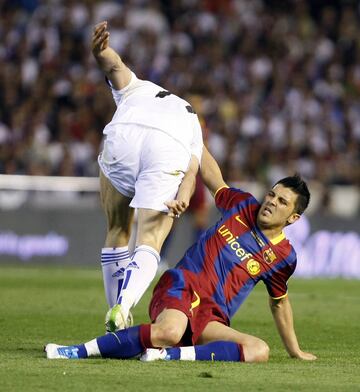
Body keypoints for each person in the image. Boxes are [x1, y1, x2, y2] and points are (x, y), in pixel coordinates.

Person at [45, 147, 317, 363]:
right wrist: (194, 139)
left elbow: (279, 303)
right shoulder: (242, 205)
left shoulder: (283, 257)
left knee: (258, 350)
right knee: (170, 332)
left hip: (212, 316)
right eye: (272, 194)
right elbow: (213, 178)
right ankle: (75, 351)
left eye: (282, 202)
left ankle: (165, 355)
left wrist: (295, 351)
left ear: (293, 217)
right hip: (181, 287)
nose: (271, 202)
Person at [92, 21, 203, 331]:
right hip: (170, 145)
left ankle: (117, 312)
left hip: (124, 135)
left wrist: (99, 50)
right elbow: (192, 170)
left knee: (117, 228)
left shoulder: (133, 87)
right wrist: (182, 197)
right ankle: (123, 307)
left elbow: (111, 63)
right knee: (151, 239)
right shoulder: (191, 116)